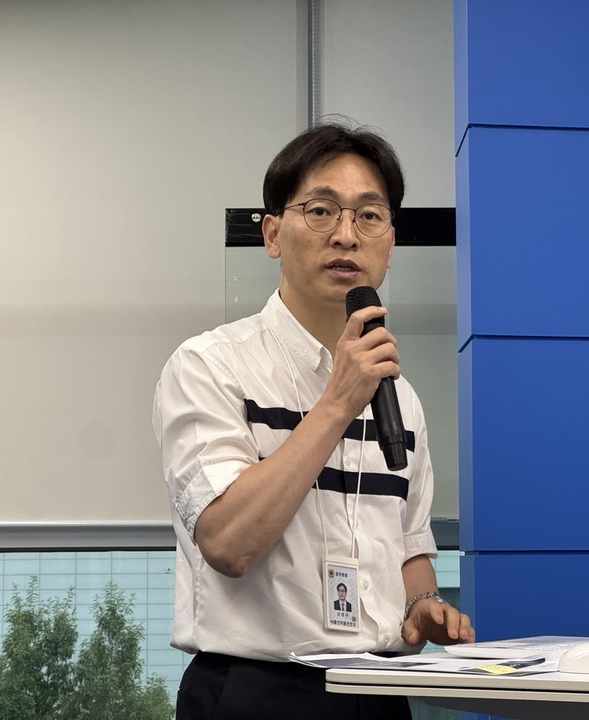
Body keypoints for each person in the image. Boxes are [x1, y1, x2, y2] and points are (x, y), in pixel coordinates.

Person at [152, 120, 474, 720]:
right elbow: (227, 541)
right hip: (256, 691)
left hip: (377, 692)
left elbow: (409, 545)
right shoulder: (209, 365)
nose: (346, 236)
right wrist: (336, 404)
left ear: (390, 243)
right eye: (321, 211)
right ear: (273, 234)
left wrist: (423, 601)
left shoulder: (399, 394)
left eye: (369, 216)